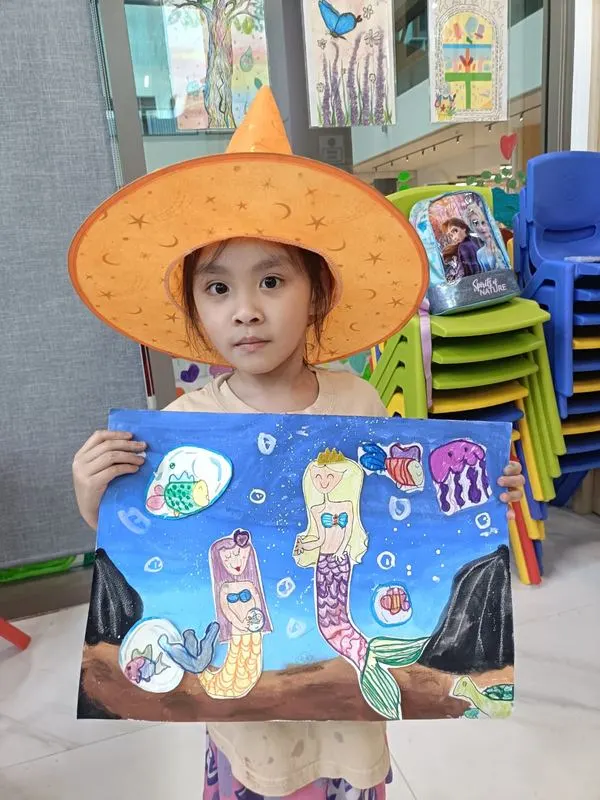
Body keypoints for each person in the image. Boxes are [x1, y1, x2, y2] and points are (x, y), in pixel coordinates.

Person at [70, 88, 525, 800]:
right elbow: (146, 537)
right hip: (250, 727)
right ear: (196, 308)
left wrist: (482, 500)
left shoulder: (359, 402)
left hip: (350, 720)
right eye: (217, 289)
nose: (246, 310)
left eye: (272, 280)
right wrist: (93, 492)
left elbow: (407, 511)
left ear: (316, 292)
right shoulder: (183, 422)